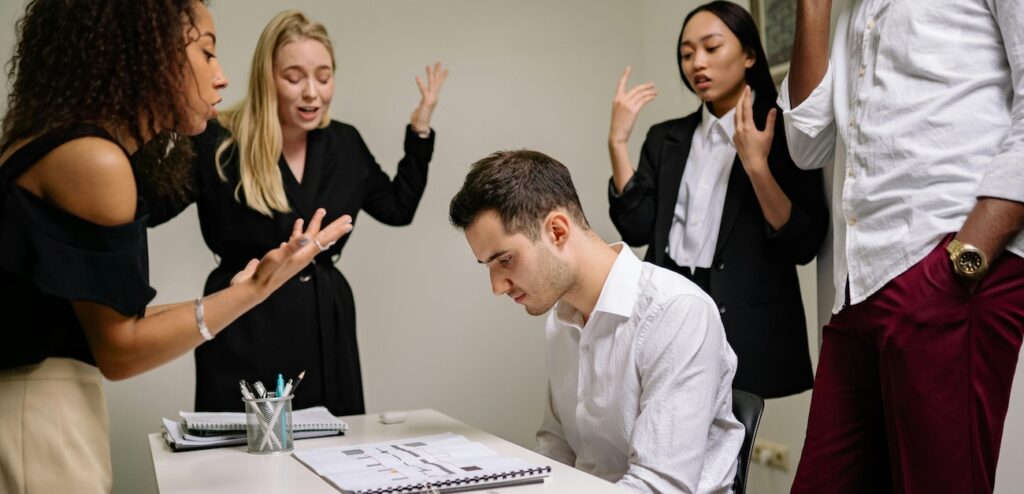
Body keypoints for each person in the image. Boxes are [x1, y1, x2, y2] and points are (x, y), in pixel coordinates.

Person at [0, 1, 353, 493]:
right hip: (32, 417)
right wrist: (254, 290)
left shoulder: (60, 146)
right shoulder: (94, 161)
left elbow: (118, 325)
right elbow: (120, 351)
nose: (222, 76)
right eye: (207, 53)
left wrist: (253, 286)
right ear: (145, 54)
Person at [140, 10, 447, 416]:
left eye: (323, 77)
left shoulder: (345, 143)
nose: (312, 93)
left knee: (334, 454)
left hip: (325, 321)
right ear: (267, 77)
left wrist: (419, 132)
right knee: (242, 458)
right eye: (294, 77)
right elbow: (144, 210)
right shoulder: (219, 141)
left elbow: (397, 208)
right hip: (242, 317)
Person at [782, 0, 1024, 492]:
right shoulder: (851, 10)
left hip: (948, 266)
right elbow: (806, 145)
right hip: (857, 285)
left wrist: (965, 260)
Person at [449, 150, 744, 493]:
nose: (497, 287)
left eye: (505, 260)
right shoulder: (561, 321)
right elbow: (556, 448)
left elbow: (660, 487)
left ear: (557, 231)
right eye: (489, 266)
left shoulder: (677, 312)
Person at [606, 0, 828, 399]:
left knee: (731, 447)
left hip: (745, 322)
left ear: (749, 55)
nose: (696, 64)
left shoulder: (782, 129)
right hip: (668, 307)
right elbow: (636, 229)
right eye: (686, 54)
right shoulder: (665, 138)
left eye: (711, 48)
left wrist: (757, 167)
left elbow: (804, 244)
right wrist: (618, 142)